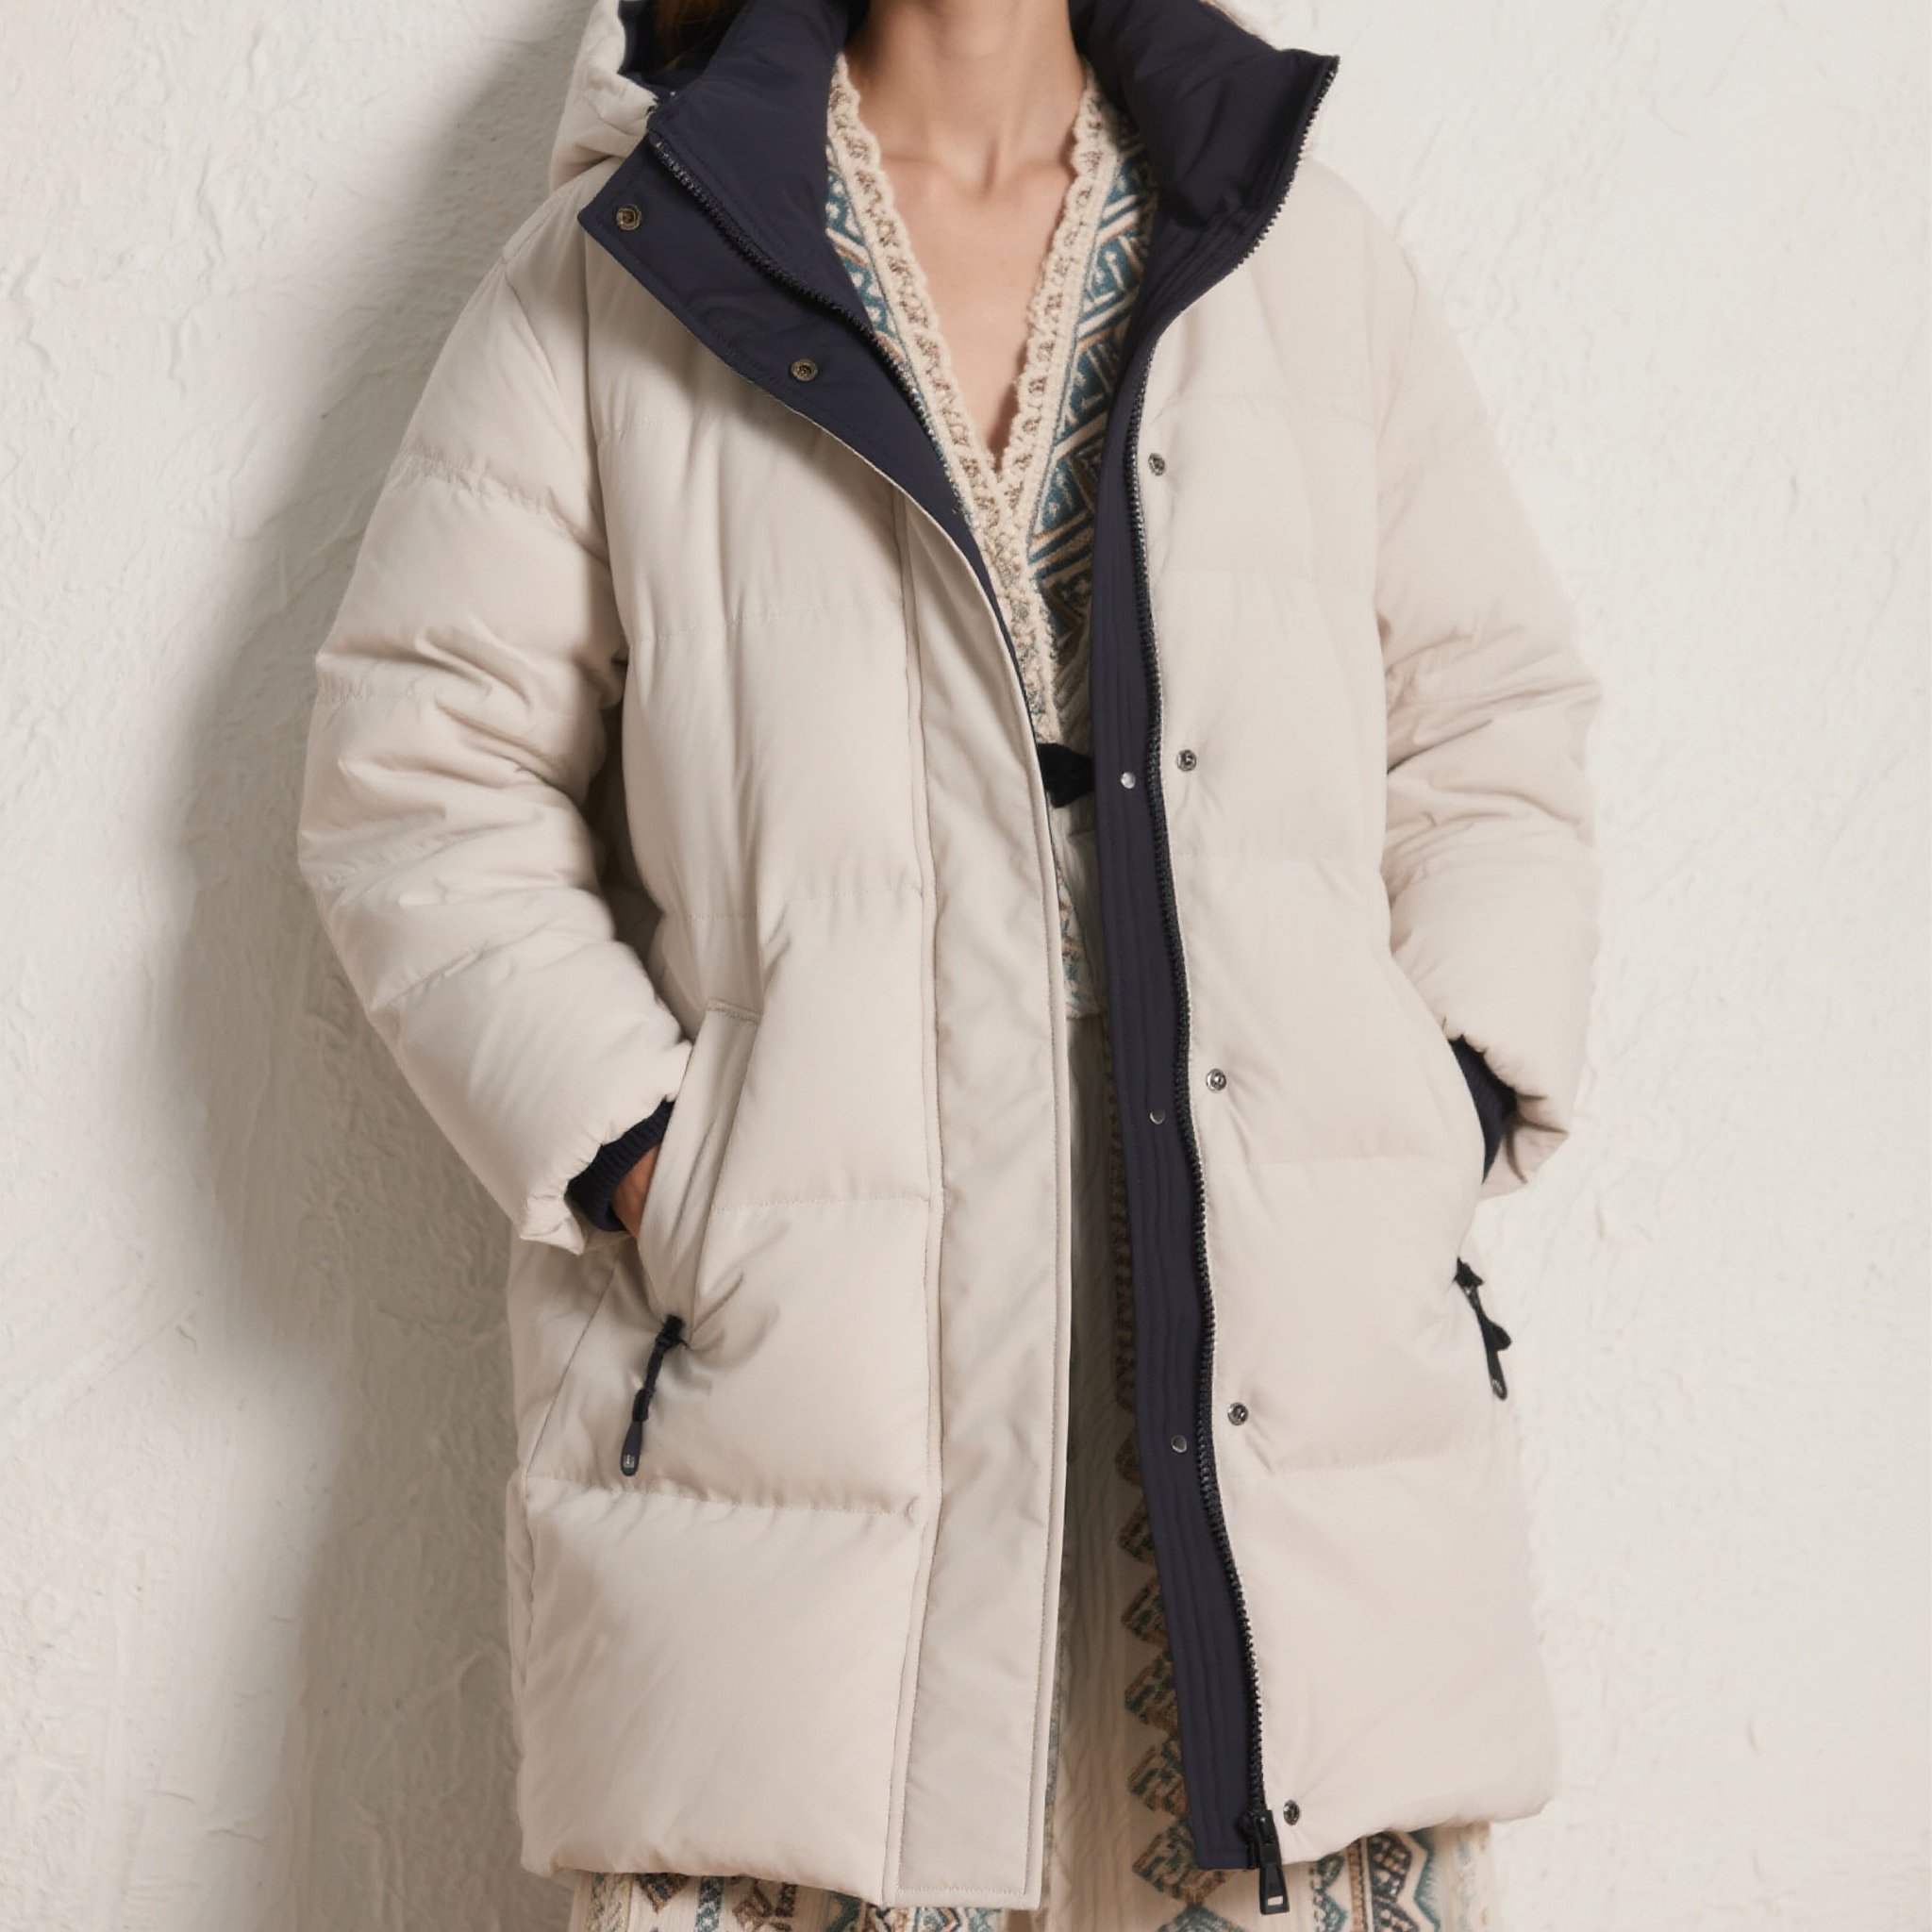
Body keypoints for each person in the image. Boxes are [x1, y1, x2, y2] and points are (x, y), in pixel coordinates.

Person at [295, 0, 1603, 1922]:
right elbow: (419, 776)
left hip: (1282, 1331)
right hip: (813, 1357)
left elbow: (1493, 727)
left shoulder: (1297, 254)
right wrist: (660, 1163)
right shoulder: (631, 260)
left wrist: (1435, 1114)